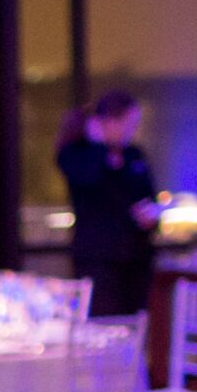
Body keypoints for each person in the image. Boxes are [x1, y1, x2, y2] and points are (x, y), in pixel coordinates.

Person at [57, 88, 161, 318]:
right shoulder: (77, 154)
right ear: (108, 122)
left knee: (135, 325)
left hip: (136, 258)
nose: (130, 131)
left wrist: (150, 216)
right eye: (127, 123)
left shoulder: (134, 155)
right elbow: (89, 179)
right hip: (99, 261)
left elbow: (148, 195)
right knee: (104, 323)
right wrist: (98, 145)